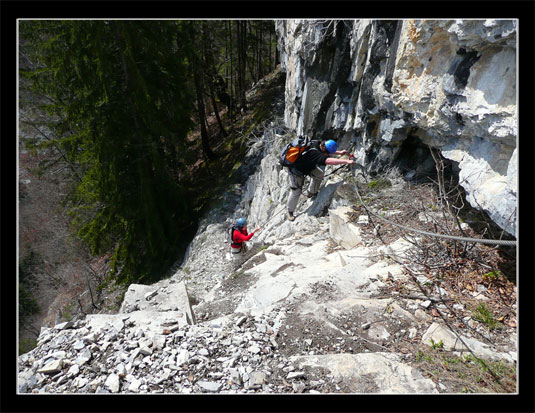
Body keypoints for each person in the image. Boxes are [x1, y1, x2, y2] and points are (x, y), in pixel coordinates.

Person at [286, 139, 353, 221]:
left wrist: (339, 153)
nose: (328, 155)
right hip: (296, 171)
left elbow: (327, 151)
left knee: (319, 174)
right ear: (325, 151)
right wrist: (345, 161)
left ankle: (311, 192)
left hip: (307, 165)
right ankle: (290, 212)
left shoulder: (317, 143)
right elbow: (328, 160)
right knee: (296, 192)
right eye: (327, 153)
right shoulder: (315, 154)